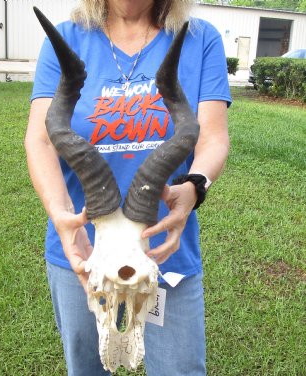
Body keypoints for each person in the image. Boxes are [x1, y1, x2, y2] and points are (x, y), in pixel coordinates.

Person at [25, 0, 231, 375]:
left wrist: (195, 186)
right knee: (87, 369)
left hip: (163, 252)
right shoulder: (69, 38)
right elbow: (41, 140)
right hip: (83, 255)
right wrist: (60, 216)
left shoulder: (200, 39)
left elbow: (211, 138)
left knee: (179, 369)